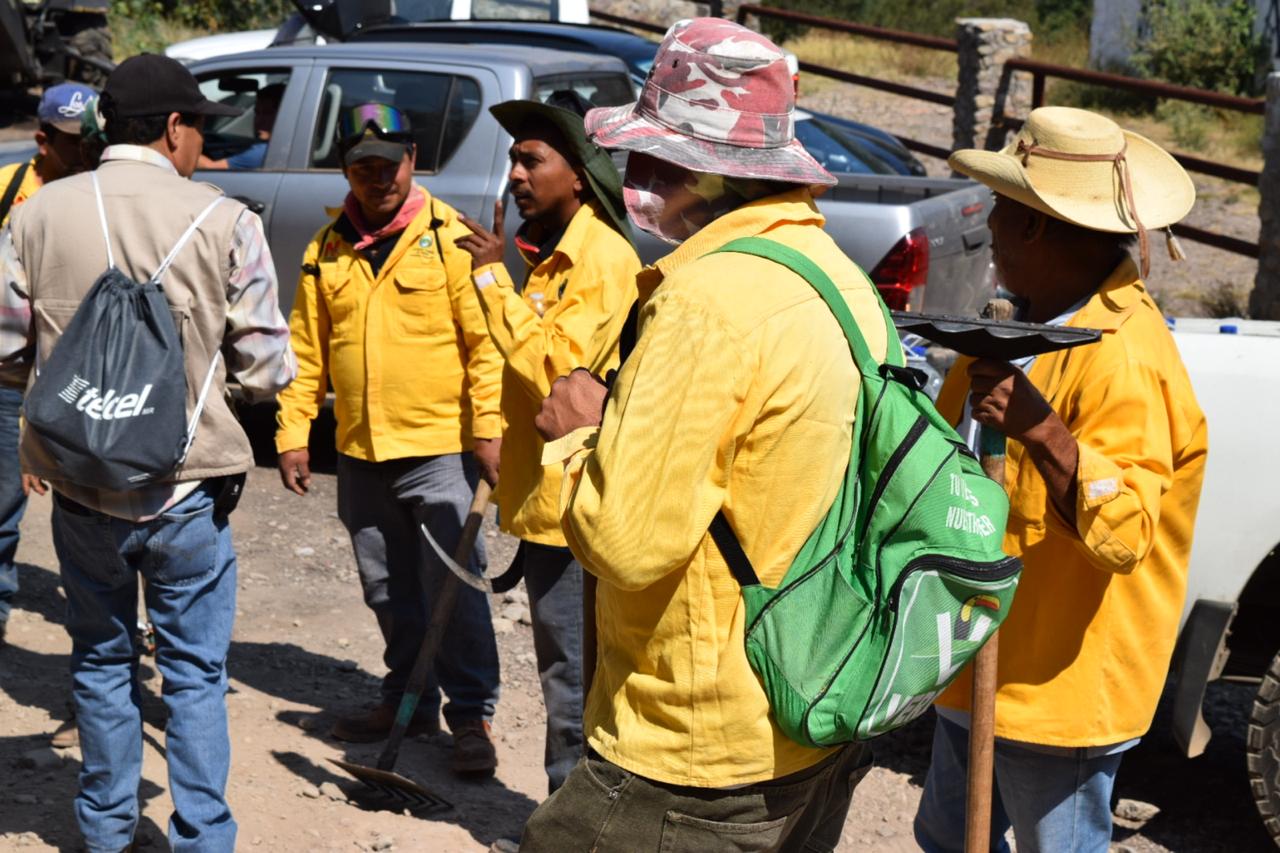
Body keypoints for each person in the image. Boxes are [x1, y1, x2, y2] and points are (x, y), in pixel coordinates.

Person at [524, 18, 887, 851]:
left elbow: (625, 543)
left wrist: (579, 436)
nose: (631, 176)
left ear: (700, 173)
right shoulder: (835, 277)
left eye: (645, 158)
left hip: (694, 745)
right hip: (811, 703)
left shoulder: (706, 301)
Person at [0, 53, 295, 851]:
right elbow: (270, 366)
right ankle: (202, 837)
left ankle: (105, 833)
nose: (203, 143)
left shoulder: (33, 215)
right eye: (200, 126)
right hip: (186, 488)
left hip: (80, 487)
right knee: (195, 675)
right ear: (173, 127)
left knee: (100, 661)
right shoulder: (227, 219)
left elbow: (3, 350)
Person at [911, 106, 1208, 853]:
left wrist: (1045, 433)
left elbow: (1128, 531)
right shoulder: (1016, 327)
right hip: (972, 656)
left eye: (1002, 211)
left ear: (1038, 227)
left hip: (1057, 687)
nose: (990, 228)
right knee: (950, 839)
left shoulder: (1125, 355)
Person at [275, 102, 505, 777]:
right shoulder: (328, 247)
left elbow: (486, 346)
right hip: (361, 452)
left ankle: (471, 716)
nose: (378, 177)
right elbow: (304, 350)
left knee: (453, 590)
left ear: (413, 161)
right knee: (388, 591)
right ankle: (405, 698)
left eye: (389, 163)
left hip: (439, 449)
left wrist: (488, 429)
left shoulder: (450, 237)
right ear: (346, 169)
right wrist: (293, 432)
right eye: (362, 165)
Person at [453, 91, 639, 795]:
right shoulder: (559, 255)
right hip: (545, 500)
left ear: (579, 173)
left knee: (572, 676)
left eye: (532, 160)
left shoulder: (602, 260)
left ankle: (570, 823)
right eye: (514, 160)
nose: (517, 174)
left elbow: (558, 373)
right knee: (565, 668)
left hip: (574, 508)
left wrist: (490, 281)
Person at [0, 82, 94, 648]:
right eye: (71, 141)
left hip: (79, 375)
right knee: (3, 497)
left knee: (92, 505)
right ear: (42, 139)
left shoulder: (98, 190)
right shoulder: (9, 187)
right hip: (11, 373)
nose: (85, 151)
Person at [197, 82, 284, 171]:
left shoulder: (263, 152)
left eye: (267, 113)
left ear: (283, 115)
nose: (259, 120)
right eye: (257, 113)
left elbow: (210, 168)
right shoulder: (277, 147)